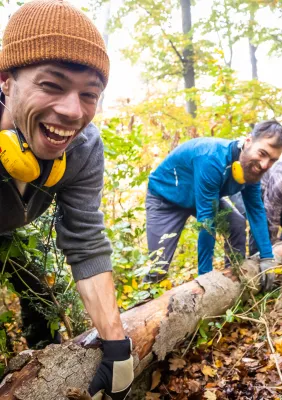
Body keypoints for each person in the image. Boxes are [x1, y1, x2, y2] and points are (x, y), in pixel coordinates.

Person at [0, 1, 133, 398]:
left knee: (37, 289)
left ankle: (40, 363)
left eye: (89, 94)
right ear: (6, 79)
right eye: (52, 85)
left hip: (10, 230)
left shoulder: (85, 148)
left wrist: (116, 346)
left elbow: (86, 238)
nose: (73, 112)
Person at [145, 121, 282, 288]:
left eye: (272, 160)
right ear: (248, 141)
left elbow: (255, 210)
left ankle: (236, 279)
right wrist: (205, 278)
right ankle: (144, 301)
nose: (265, 164)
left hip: (199, 195)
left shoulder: (252, 169)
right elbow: (207, 221)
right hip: (165, 197)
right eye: (262, 153)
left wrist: (267, 258)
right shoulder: (213, 158)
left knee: (236, 223)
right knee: (158, 266)